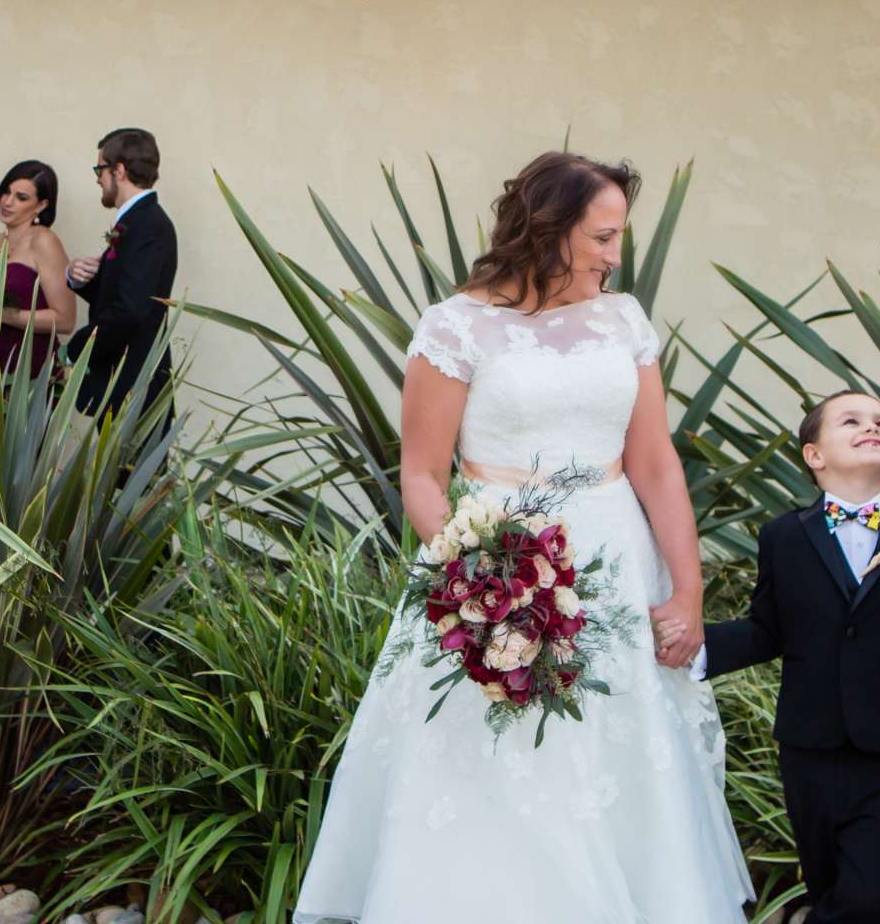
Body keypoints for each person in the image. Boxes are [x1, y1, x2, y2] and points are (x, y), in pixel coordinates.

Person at [294, 152, 753, 923]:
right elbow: (422, 478)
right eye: (602, 237)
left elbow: (656, 464)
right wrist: (478, 584)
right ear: (548, 230)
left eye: (618, 238)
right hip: (492, 563)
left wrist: (689, 587)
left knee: (616, 762)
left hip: (615, 564)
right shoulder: (455, 328)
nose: (615, 255)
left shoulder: (623, 319)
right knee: (501, 761)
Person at [696, 389, 880, 924]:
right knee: (842, 891)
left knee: (861, 892)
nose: (874, 427)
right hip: (807, 747)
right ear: (814, 456)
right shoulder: (783, 538)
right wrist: (690, 650)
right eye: (852, 421)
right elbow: (766, 630)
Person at [63, 128, 178, 415]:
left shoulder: (148, 225)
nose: (97, 178)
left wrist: (79, 346)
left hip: (136, 383)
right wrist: (77, 278)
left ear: (119, 170)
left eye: (100, 168)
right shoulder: (136, 221)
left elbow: (131, 308)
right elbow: (121, 292)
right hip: (122, 380)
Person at [0, 159, 75, 394]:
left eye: (21, 197)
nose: (7, 202)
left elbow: (65, 320)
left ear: (41, 205)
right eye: (6, 192)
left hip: (28, 367)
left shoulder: (45, 242)